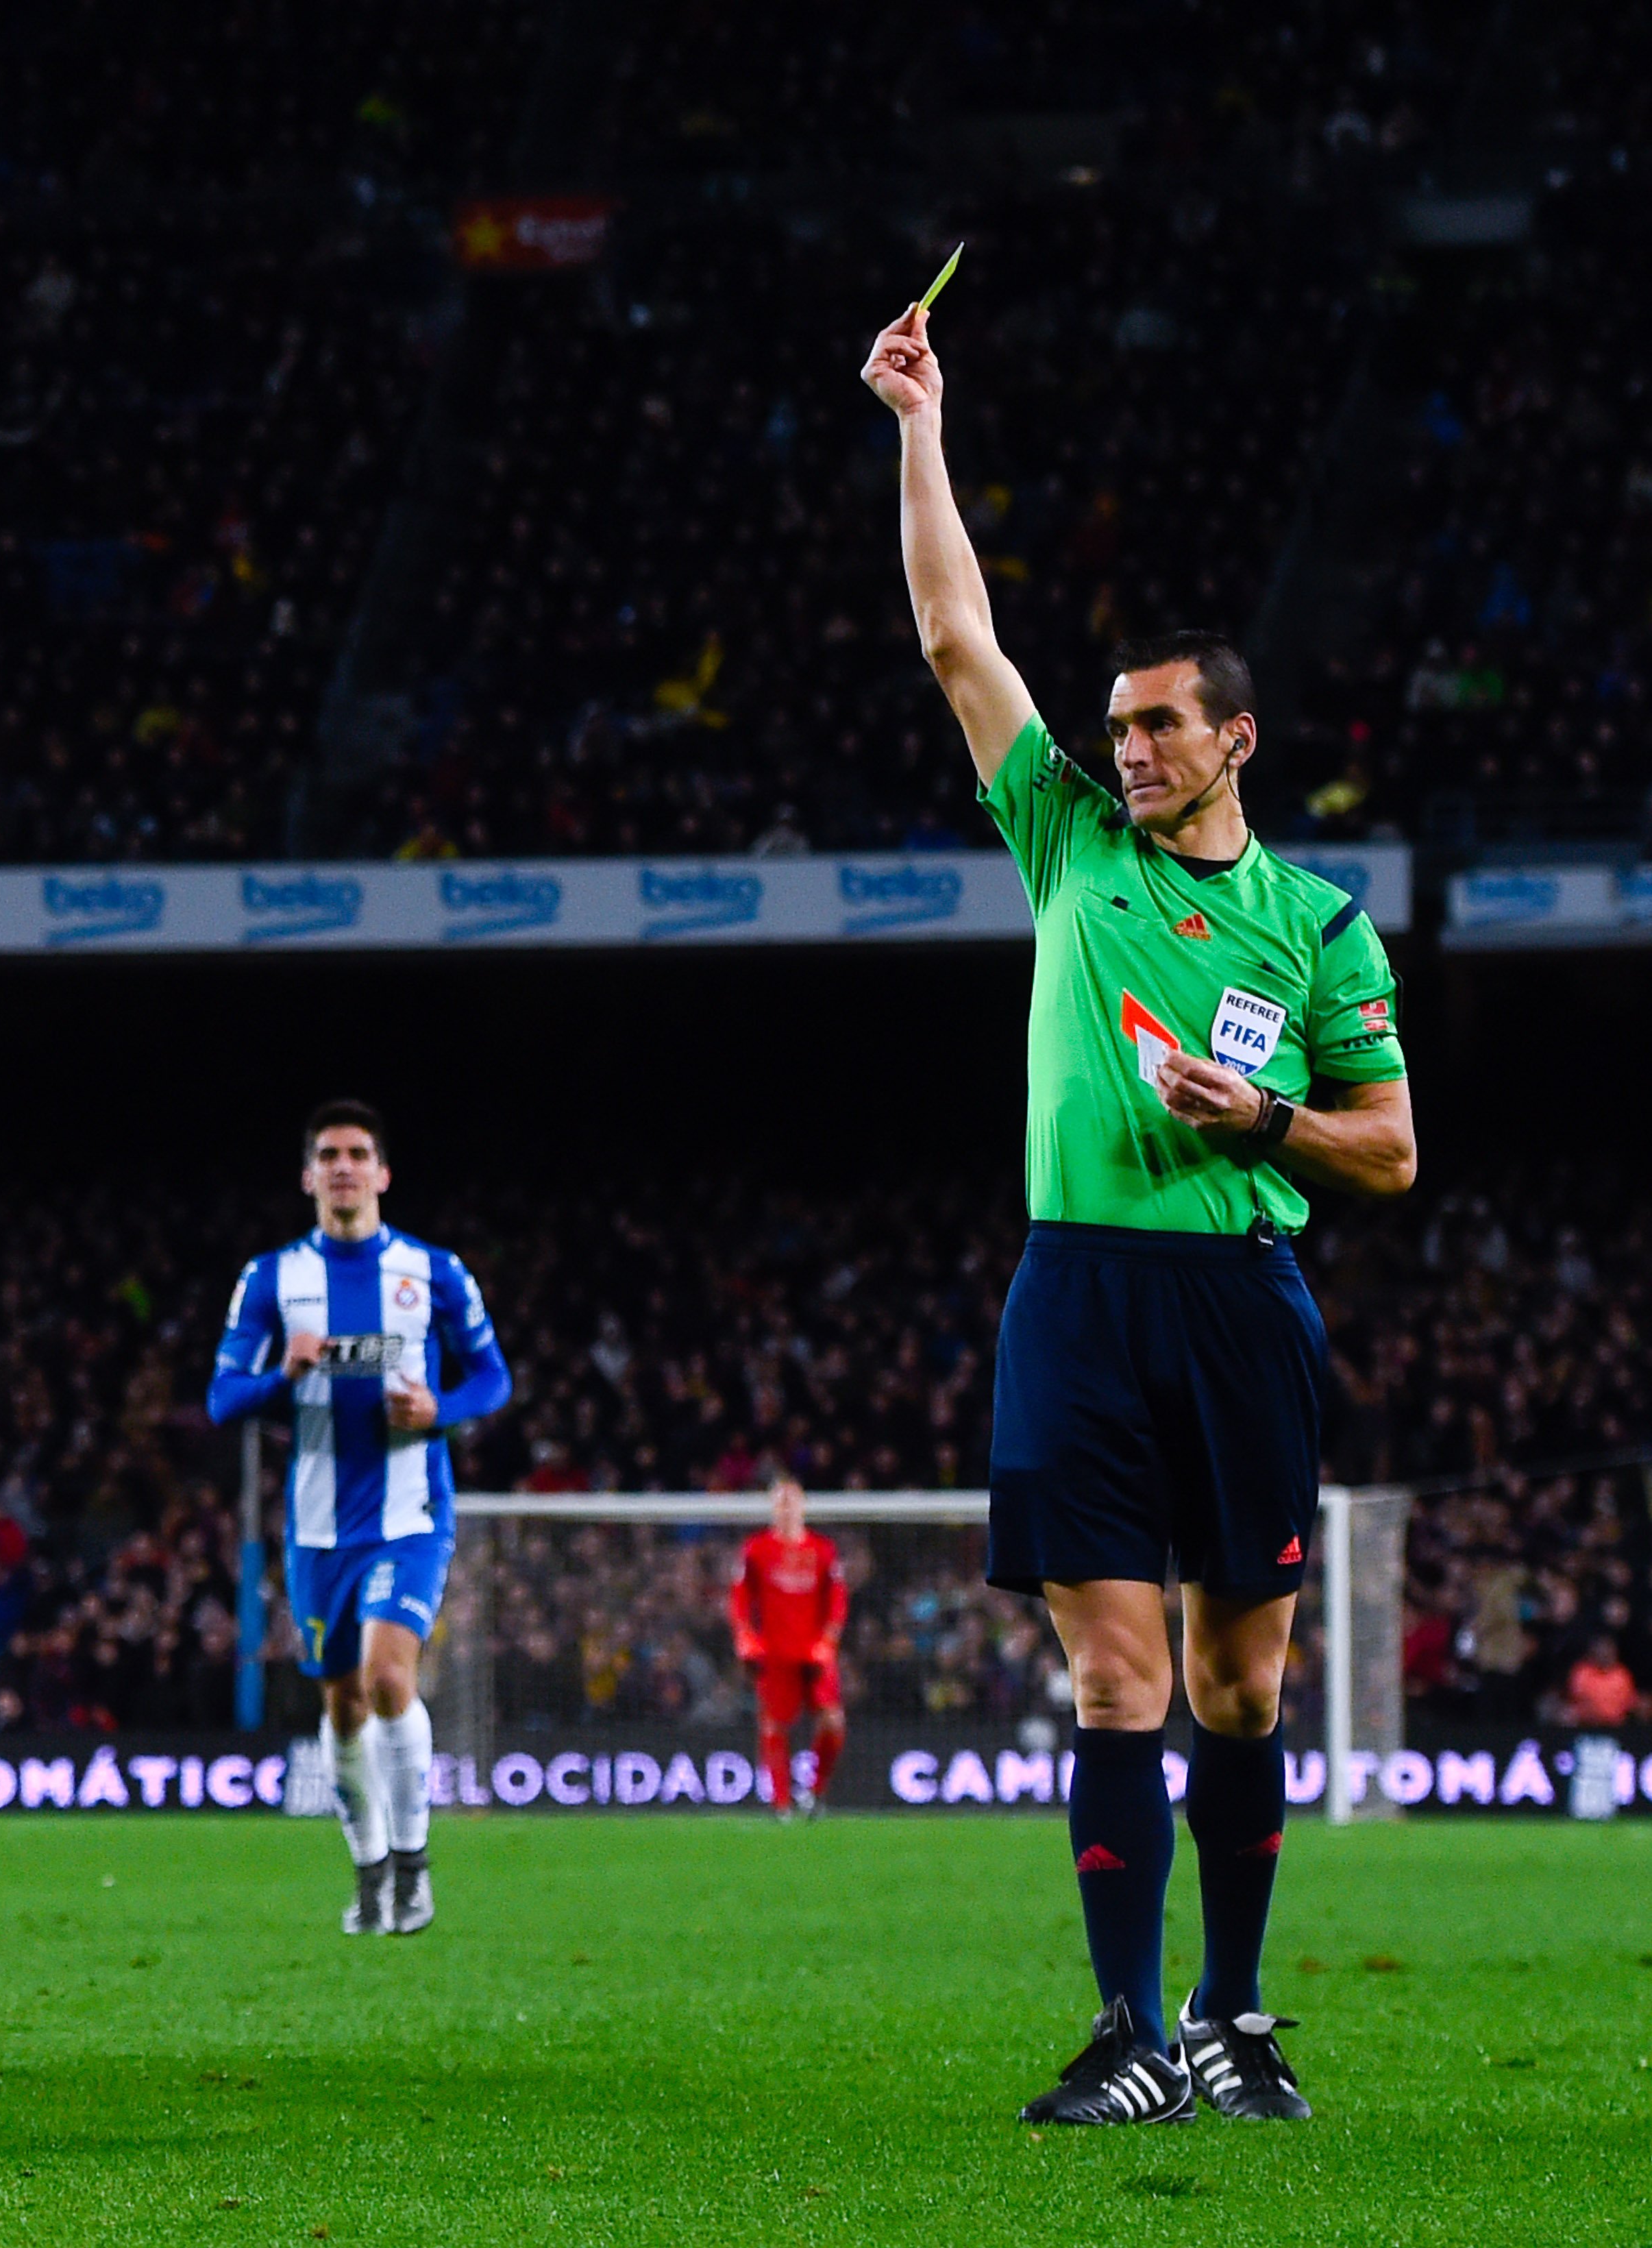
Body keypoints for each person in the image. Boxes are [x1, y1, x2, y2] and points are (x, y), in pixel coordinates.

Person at [866, 292, 1418, 2124]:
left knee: (1237, 1692)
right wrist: (918, 424)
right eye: (1118, 726)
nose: (1132, 751)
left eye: (1163, 727)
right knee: (1115, 1680)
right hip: (1078, 1301)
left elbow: (1393, 1150)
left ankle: (1237, 2019)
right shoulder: (1071, 847)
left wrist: (1266, 1115)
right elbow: (958, 636)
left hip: (1239, 1303)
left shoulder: (1321, 926)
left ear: (1239, 738)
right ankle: (1129, 2041)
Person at [207, 1101, 511, 1935]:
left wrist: (438, 1408)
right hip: (314, 1532)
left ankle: (414, 1868)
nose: (343, 1167)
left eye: (358, 1154)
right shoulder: (270, 1279)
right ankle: (371, 1865)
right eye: (328, 1155)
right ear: (308, 1176)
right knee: (341, 1706)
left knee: (386, 1679)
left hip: (410, 1512)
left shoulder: (432, 1271)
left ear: (382, 1174)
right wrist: (282, 1373)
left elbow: (493, 1377)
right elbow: (221, 1396)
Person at [729, 1478, 846, 1820]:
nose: (786, 1508)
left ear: (803, 1505)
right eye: (779, 1502)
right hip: (776, 1653)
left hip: (815, 1653)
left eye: (791, 1501)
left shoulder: (823, 1550)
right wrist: (745, 1635)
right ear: (772, 1507)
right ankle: (781, 1805)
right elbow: (739, 1596)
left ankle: (814, 1791)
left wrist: (829, 1641)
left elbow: (838, 1600)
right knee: (775, 1726)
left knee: (833, 1722)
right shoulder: (757, 1549)